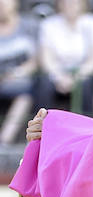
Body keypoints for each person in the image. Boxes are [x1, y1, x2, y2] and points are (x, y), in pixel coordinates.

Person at [37, 0, 93, 117]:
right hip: (56, 74)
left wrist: (76, 77)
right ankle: (42, 129)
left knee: (86, 87)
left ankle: (87, 130)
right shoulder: (48, 24)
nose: (69, 5)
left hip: (84, 74)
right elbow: (47, 59)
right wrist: (58, 77)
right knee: (43, 85)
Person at [0, 0, 37, 145]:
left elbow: (36, 60)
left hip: (19, 78)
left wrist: (16, 73)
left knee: (24, 95)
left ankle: (3, 142)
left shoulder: (29, 25)